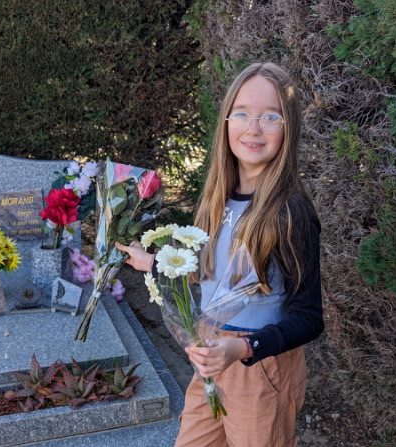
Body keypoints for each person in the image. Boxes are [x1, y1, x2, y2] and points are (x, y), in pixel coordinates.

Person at [116, 62, 324, 447]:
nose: (253, 128)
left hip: (259, 365)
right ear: (226, 120)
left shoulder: (290, 211)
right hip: (211, 354)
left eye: (271, 116)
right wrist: (152, 263)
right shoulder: (217, 200)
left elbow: (310, 318)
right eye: (242, 113)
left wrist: (244, 347)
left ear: (288, 127)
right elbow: (215, 275)